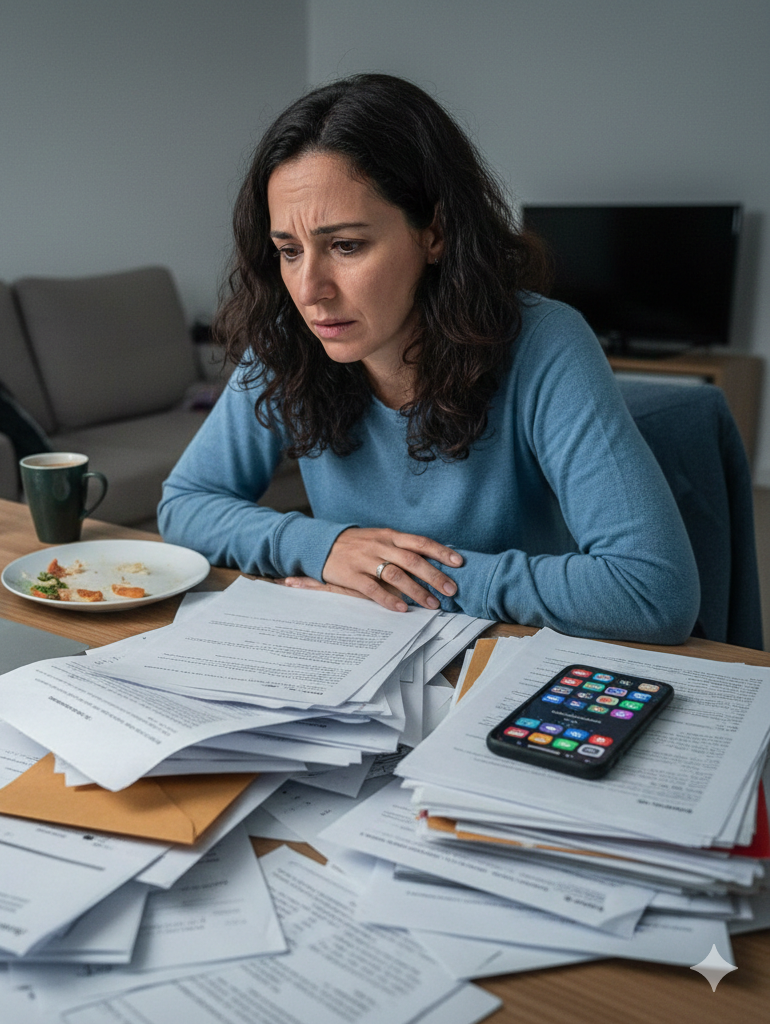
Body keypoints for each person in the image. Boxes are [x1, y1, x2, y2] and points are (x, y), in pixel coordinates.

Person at [158, 74, 699, 644]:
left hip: (508, 658)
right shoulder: (288, 337)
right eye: (289, 252)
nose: (309, 289)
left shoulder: (546, 341)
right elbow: (186, 504)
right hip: (361, 657)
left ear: (434, 233)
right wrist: (326, 547)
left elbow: (652, 590)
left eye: (346, 245)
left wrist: (402, 581)